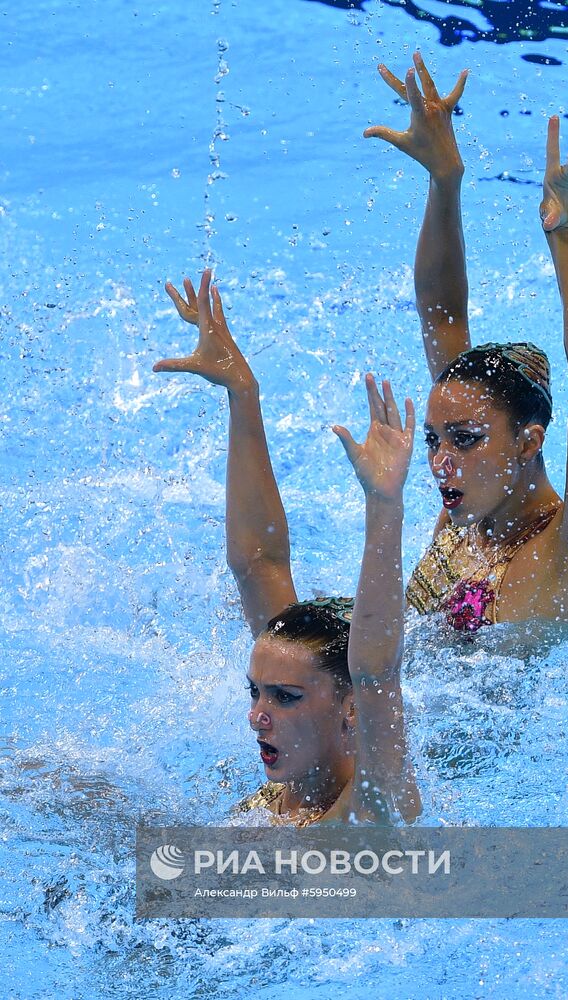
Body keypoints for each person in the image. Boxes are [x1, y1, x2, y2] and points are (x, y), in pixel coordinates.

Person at [364, 53, 568, 631]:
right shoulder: (468, 510)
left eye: (463, 440)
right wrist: (443, 181)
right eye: (435, 439)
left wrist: (566, 236)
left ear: (528, 442)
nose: (438, 463)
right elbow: (442, 315)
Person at [154, 271, 421, 825]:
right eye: (257, 693)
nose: (257, 717)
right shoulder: (288, 789)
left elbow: (375, 673)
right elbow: (257, 563)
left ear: (351, 712)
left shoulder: (372, 812)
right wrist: (242, 393)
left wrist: (384, 506)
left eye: (284, 697)